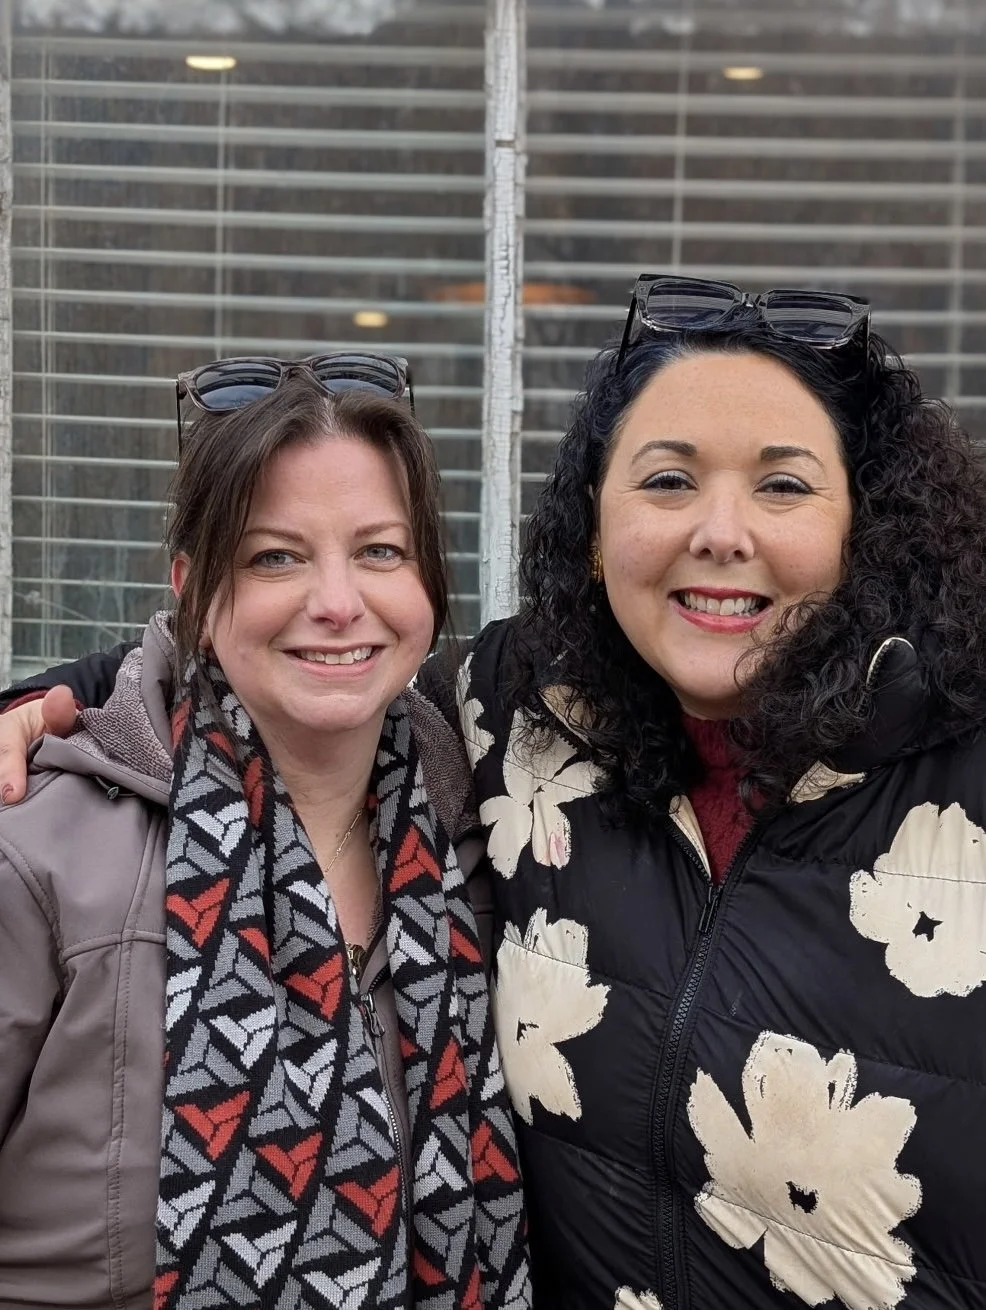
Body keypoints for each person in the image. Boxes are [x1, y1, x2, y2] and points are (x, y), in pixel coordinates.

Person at [4, 276, 986, 1310]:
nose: (720, 530)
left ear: (865, 525)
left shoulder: (956, 774)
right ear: (596, 528)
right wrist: (52, 699)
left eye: (782, 486)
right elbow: (296, 660)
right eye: (665, 481)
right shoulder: (519, 718)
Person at [0, 356, 530, 1310]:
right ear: (194, 591)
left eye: (380, 551)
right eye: (275, 556)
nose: (337, 602)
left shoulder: (490, 842)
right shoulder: (38, 857)